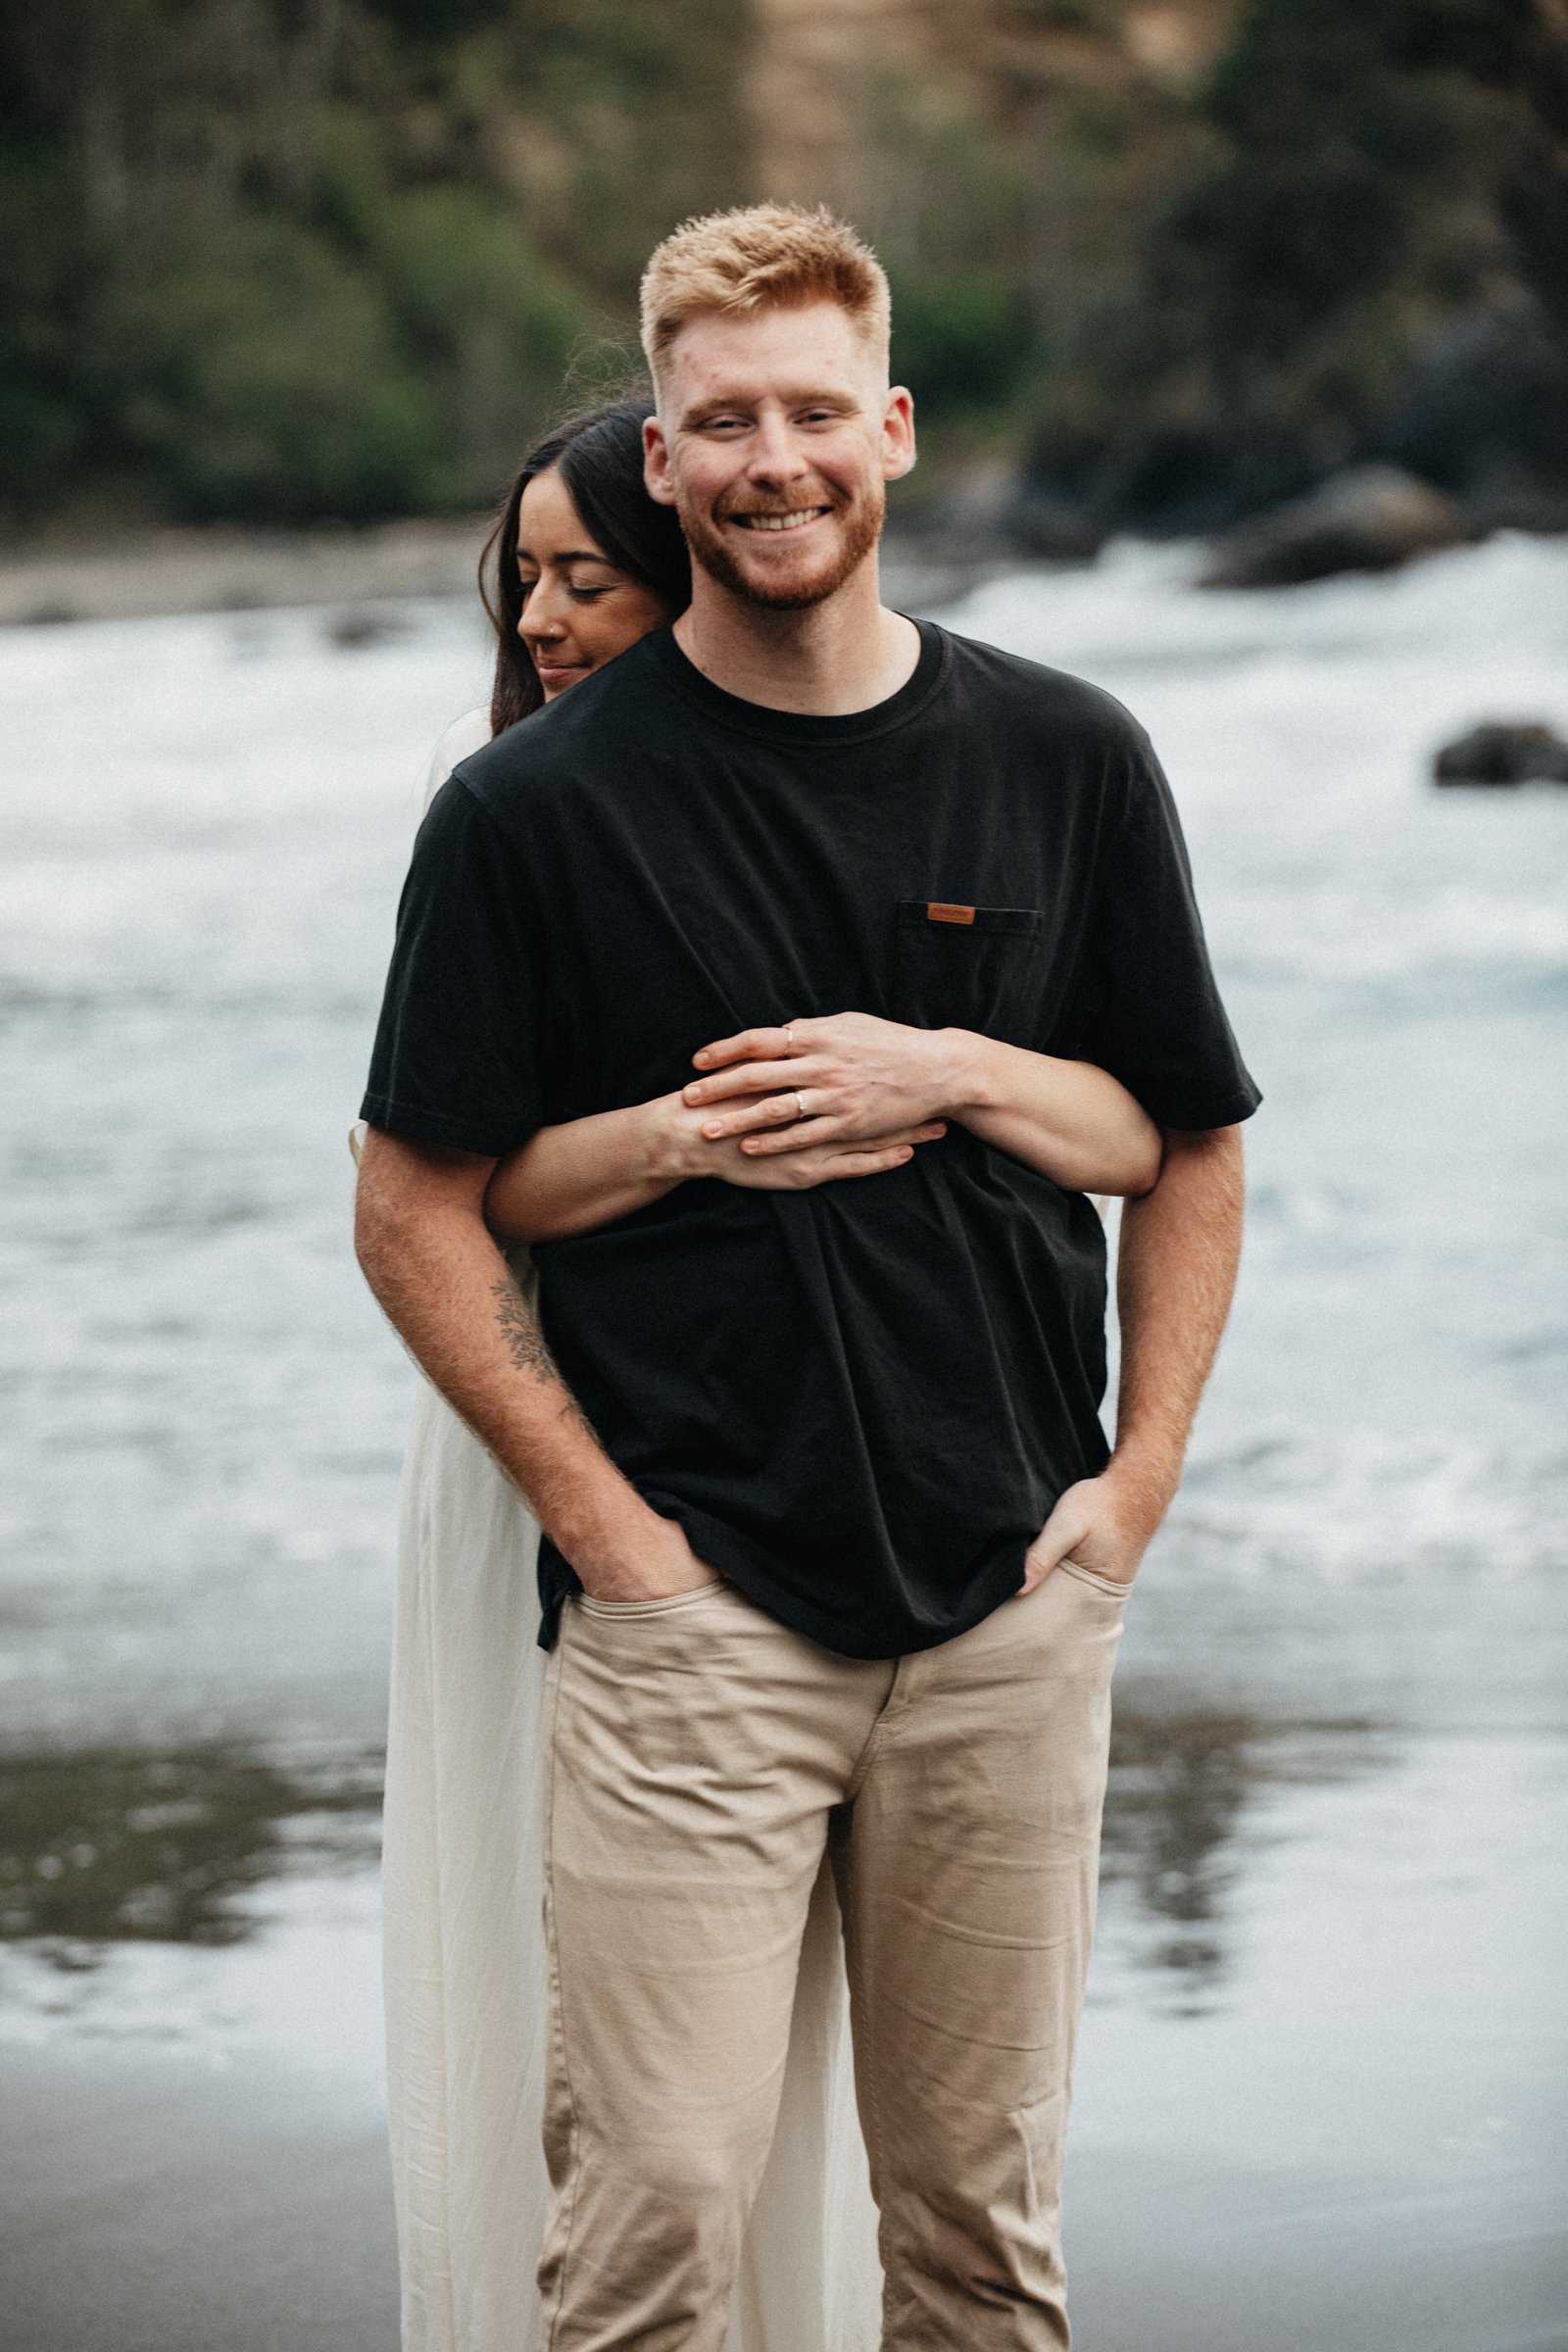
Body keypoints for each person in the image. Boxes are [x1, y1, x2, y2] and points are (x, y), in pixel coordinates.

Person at [370, 388, 1165, 2352]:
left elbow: (1164, 1128)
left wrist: (1117, 1493)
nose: (548, 623)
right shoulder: (528, 816)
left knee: (965, 2205)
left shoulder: (1023, 759)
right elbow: (450, 1192)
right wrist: (618, 1519)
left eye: (582, 584)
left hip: (944, 1548)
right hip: (605, 1468)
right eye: (526, 584)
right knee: (647, 2170)